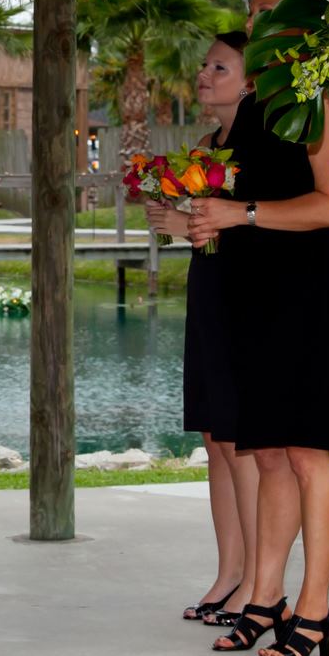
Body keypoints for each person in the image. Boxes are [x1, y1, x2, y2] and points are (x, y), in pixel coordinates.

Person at [188, 3, 329, 656]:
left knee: (309, 453)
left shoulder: (324, 101)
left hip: (309, 291)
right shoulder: (258, 111)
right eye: (254, 11)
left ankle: (315, 609)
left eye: (267, 10)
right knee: (268, 456)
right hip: (254, 294)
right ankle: (265, 599)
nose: (256, 22)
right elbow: (238, 210)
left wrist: (242, 212)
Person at [144, 36, 259, 624]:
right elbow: (206, 231)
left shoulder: (264, 148)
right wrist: (174, 221)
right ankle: (228, 572)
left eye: (220, 66)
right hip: (209, 291)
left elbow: (262, 227)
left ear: (251, 81)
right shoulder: (205, 149)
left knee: (241, 441)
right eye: (204, 65)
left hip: (250, 297)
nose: (205, 74)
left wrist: (196, 223)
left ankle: (259, 583)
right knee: (215, 438)